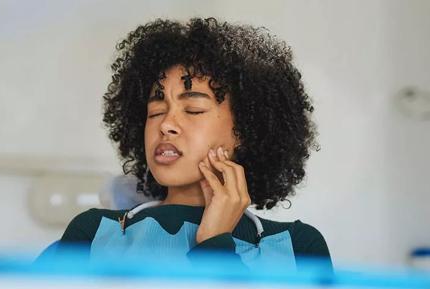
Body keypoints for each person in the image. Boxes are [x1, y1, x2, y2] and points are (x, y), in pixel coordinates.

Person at [39, 17, 332, 272]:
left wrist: (215, 242)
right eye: (155, 111)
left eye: (193, 110)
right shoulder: (92, 232)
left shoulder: (298, 247)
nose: (165, 124)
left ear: (246, 130)